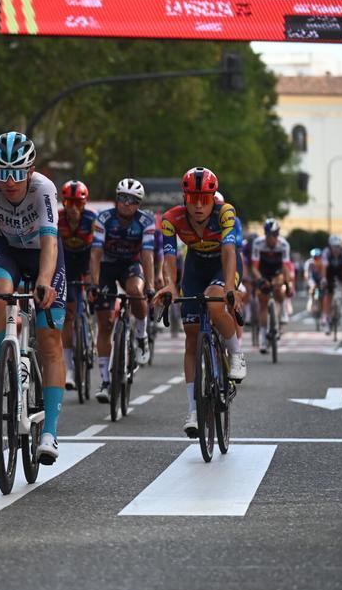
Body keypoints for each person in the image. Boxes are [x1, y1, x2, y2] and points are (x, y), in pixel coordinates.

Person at [0, 131, 65, 465]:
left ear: (31, 170)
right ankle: (2, 360)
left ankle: (49, 433)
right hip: (7, 250)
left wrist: (44, 281)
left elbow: (51, 241)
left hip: (43, 255)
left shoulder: (44, 189)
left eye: (17, 173)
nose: (9, 181)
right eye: (2, 172)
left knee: (50, 340)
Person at [153, 167, 247, 437]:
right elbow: (169, 258)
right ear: (184, 197)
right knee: (192, 335)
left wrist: (230, 287)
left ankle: (237, 355)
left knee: (215, 302)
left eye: (204, 199)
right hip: (195, 267)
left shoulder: (225, 213)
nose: (197, 205)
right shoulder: (172, 219)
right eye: (192, 198)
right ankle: (194, 411)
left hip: (222, 265)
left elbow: (230, 250)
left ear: (212, 200)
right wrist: (170, 285)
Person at [90, 178, 155, 402]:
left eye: (132, 200)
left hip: (131, 264)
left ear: (139, 204)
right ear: (117, 199)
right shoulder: (104, 218)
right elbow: (96, 253)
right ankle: (105, 382)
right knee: (105, 323)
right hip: (107, 264)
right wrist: (94, 283)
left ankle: (141, 334)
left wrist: (151, 285)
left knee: (135, 291)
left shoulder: (146, 220)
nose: (126, 204)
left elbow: (147, 254)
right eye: (122, 198)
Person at [57, 180, 96, 390]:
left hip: (86, 262)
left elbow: (98, 250)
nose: (73, 209)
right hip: (66, 264)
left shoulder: (92, 219)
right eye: (69, 203)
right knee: (69, 314)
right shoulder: (57, 219)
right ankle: (70, 367)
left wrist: (93, 281)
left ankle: (89, 336)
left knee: (88, 297)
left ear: (84, 204)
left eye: (78, 204)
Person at [250, 218, 294, 353]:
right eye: (269, 236)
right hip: (262, 271)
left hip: (277, 271)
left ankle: (283, 311)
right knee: (263, 303)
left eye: (275, 236)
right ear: (265, 235)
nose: (272, 239)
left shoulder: (284, 245)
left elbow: (286, 267)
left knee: (279, 288)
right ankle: (264, 337)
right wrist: (260, 280)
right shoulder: (258, 243)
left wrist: (287, 283)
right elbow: (254, 267)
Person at [321, 234, 342, 329]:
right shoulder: (326, 252)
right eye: (334, 247)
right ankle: (325, 315)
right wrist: (324, 278)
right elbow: (324, 266)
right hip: (329, 272)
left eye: (338, 246)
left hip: (341, 272)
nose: (336, 249)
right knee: (328, 294)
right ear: (330, 246)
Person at [304, 247, 324, 314]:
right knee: (312, 287)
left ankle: (323, 305)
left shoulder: (323, 262)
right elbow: (306, 273)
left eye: (318, 257)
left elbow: (324, 274)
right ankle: (311, 299)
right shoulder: (309, 263)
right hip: (312, 278)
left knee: (323, 289)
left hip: (320, 278)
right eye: (315, 257)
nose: (317, 259)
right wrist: (308, 280)